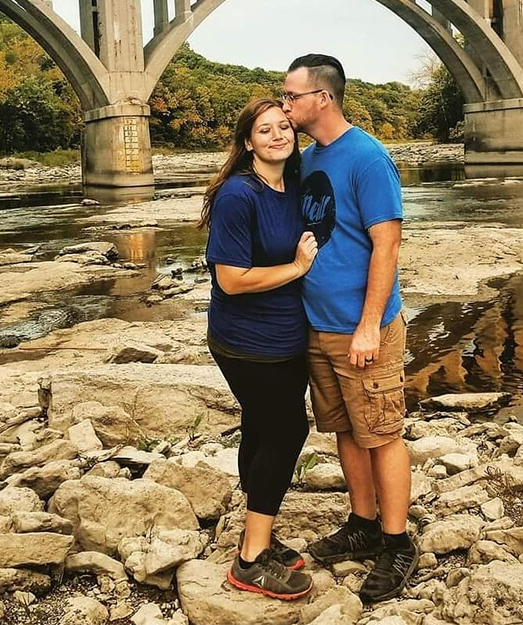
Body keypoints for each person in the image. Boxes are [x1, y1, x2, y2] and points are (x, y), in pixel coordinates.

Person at [282, 55, 418, 603]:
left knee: (381, 433)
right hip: (318, 326)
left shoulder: (367, 157)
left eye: (291, 96)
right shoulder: (309, 157)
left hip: (362, 328)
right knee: (345, 429)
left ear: (323, 98)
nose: (285, 105)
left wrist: (368, 326)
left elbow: (387, 244)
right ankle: (363, 523)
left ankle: (397, 542)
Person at [198, 98, 317, 600]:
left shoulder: (294, 186)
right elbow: (231, 280)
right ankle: (249, 561)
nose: (277, 135)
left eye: (284, 126)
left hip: (287, 335)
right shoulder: (237, 195)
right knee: (288, 431)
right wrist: (297, 268)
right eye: (264, 130)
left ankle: (257, 532)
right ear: (248, 142)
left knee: (261, 427)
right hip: (246, 341)